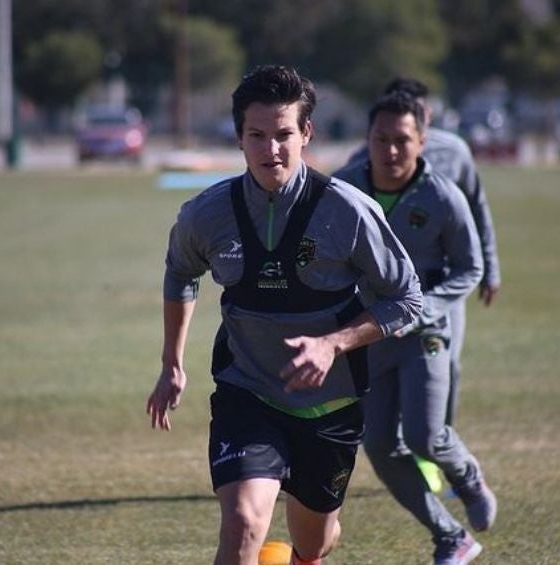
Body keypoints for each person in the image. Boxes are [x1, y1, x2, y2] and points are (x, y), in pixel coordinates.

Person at [145, 65, 423, 565]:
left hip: (331, 406)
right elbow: (180, 273)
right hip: (247, 392)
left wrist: (332, 344)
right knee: (243, 522)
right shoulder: (205, 215)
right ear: (238, 138)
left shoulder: (348, 211)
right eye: (257, 136)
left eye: (283, 135)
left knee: (314, 542)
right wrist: (172, 362)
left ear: (306, 133)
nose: (271, 149)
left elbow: (406, 298)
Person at [333, 92, 496, 565]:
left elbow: (470, 268)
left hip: (424, 335)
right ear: (367, 140)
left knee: (426, 436)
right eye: (380, 140)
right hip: (370, 336)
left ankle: (465, 475)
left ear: (422, 141)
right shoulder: (344, 189)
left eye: (402, 140)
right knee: (380, 446)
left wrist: (425, 308)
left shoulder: (443, 195)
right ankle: (450, 537)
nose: (390, 151)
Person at [347, 77, 501, 425]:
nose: (392, 149)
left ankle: (434, 441)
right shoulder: (361, 163)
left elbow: (476, 210)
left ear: (426, 118)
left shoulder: (454, 153)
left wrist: (490, 266)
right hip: (381, 293)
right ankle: (399, 445)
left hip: (438, 282)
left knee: (446, 364)